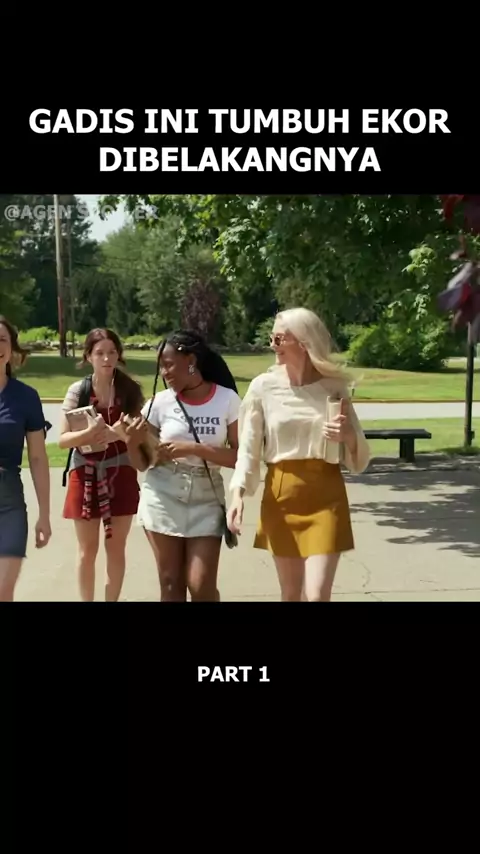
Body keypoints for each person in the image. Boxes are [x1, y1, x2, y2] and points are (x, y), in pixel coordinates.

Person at [226, 307, 370, 603]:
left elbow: (359, 453)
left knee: (316, 595)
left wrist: (347, 436)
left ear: (303, 342)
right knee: (291, 594)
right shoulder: (263, 387)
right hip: (282, 495)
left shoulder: (333, 387)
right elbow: (249, 448)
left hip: (327, 494)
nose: (272, 345)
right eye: (272, 338)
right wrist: (238, 494)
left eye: (279, 338)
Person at [126, 329, 241, 602]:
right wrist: (132, 442)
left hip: (207, 497)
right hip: (163, 494)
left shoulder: (227, 399)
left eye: (169, 364)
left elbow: (240, 457)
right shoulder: (159, 403)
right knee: (170, 583)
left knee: (201, 586)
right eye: (161, 367)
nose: (164, 372)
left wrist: (193, 448)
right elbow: (142, 464)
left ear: (191, 361)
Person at [58, 328, 144, 602]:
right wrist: (89, 434)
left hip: (121, 472)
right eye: (99, 353)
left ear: (119, 355)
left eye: (112, 352)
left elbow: (142, 433)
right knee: (87, 550)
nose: (107, 359)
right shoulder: (78, 390)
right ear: (88, 357)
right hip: (85, 472)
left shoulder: (130, 390)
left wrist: (119, 433)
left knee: (116, 548)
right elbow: (62, 440)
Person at [0, 316, 51, 600]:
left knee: (3, 591)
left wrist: (44, 514)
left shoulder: (26, 397)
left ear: (12, 348)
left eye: (2, 340)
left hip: (9, 504)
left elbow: (38, 457)